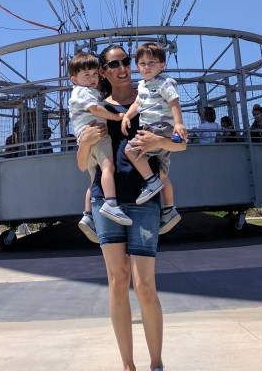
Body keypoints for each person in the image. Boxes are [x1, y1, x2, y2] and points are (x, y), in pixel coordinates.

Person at [77, 43, 187, 371]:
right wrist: (85, 143)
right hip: (106, 200)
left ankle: (156, 364)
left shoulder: (152, 96)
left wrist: (159, 142)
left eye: (126, 61)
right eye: (113, 64)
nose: (122, 68)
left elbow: (181, 144)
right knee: (117, 280)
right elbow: (82, 164)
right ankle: (128, 365)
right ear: (102, 71)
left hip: (144, 198)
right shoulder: (96, 107)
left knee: (144, 285)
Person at [121, 42, 187, 215]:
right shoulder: (142, 85)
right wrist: (127, 116)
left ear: (162, 65)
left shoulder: (164, 83)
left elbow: (174, 102)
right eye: (142, 63)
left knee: (130, 150)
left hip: (159, 127)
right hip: (154, 128)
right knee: (162, 172)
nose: (147, 67)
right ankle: (169, 208)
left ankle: (151, 181)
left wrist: (178, 123)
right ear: (137, 67)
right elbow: (137, 104)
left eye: (152, 63)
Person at [69, 52, 133, 227]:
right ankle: (111, 203)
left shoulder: (79, 92)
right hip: (97, 132)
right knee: (107, 167)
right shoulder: (85, 92)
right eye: (87, 75)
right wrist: (117, 116)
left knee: (94, 178)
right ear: (74, 79)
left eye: (94, 74)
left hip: (85, 136)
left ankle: (87, 215)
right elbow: (95, 109)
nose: (92, 79)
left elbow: (82, 166)